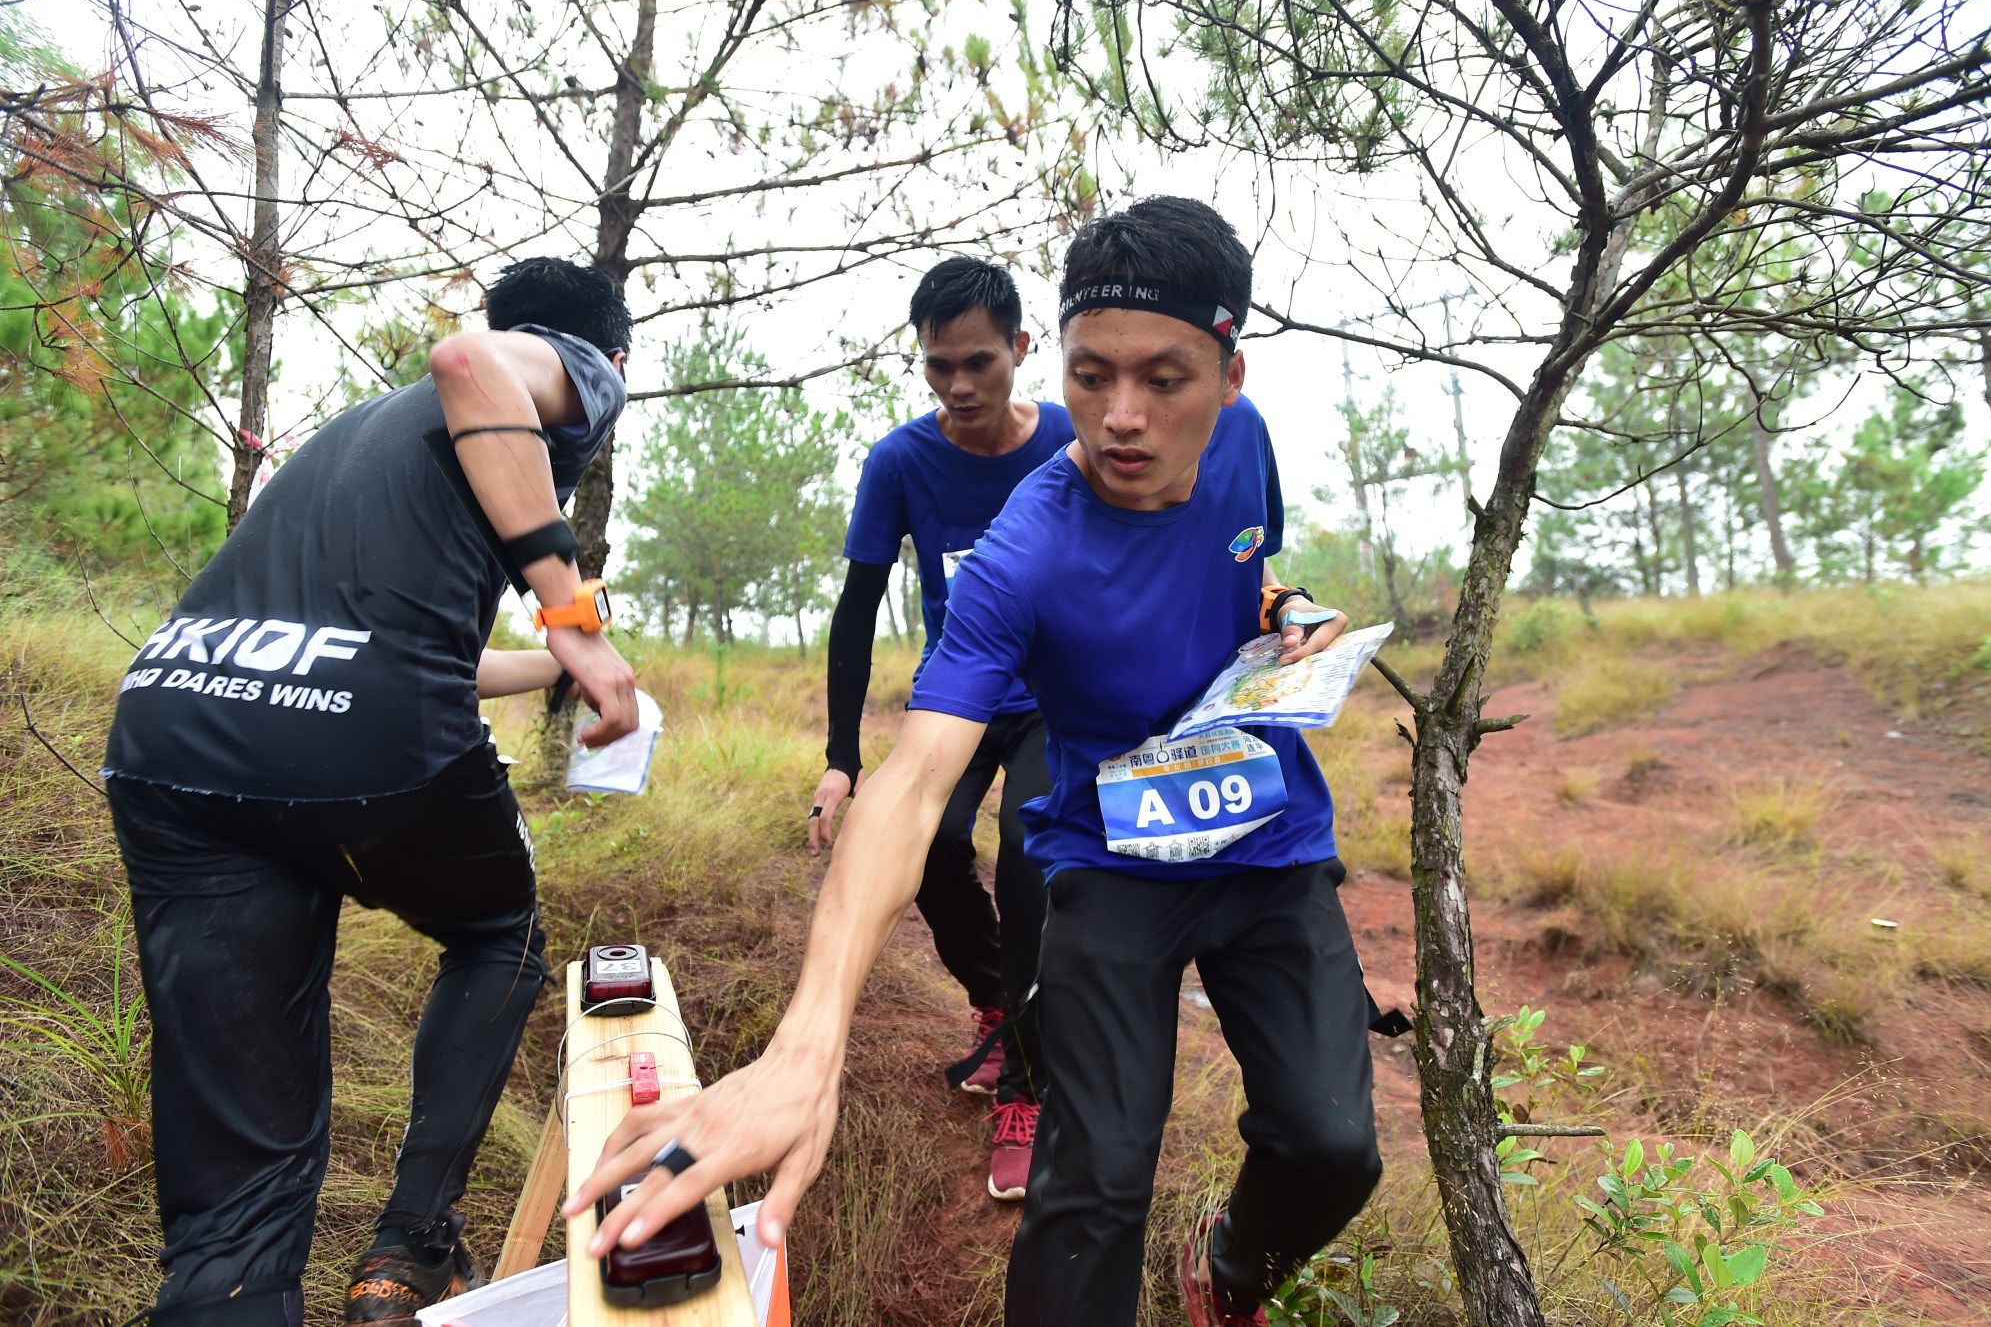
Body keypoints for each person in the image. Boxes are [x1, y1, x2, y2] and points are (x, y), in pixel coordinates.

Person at [569, 198, 1401, 1327]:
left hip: (1267, 838)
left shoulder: (1246, 446)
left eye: (1164, 379)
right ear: (1052, 362)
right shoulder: (1024, 547)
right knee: (1093, 1182)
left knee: (1333, 1144)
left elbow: (1244, 565)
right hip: (1107, 859)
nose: (1118, 418)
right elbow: (913, 780)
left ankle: (1232, 1261)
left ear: (1230, 374)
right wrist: (805, 1044)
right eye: (1089, 374)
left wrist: (1284, 604)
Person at [100, 257, 640, 1326]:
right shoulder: (568, 372)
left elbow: (412, 650)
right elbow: (469, 356)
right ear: (608, 359)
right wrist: (570, 615)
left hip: (174, 730)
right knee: (503, 931)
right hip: (351, 740)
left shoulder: (368, 430)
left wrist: (559, 660)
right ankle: (408, 1249)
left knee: (237, 1188)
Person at [807, 254, 1072, 1200]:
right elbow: (854, 609)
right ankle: (1001, 1007)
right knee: (925, 844)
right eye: (938, 367)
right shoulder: (902, 462)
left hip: (1058, 698)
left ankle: (1032, 1089)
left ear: (1020, 350)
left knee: (1030, 856)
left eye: (980, 363)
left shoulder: (1074, 439)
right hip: (956, 696)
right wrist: (843, 761)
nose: (959, 386)